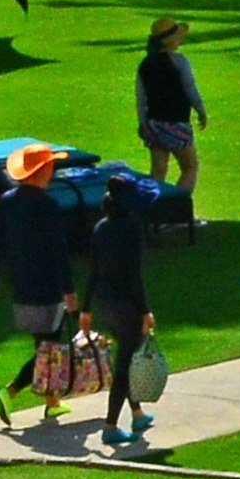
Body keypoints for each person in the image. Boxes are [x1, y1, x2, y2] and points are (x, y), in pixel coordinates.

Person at [0, 149, 74, 430]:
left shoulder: (8, 203)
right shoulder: (49, 206)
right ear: (41, 172)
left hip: (22, 284)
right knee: (49, 348)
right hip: (48, 285)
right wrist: (69, 290)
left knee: (43, 343)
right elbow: (60, 252)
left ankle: (53, 402)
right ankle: (11, 390)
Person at [81, 172, 162, 451]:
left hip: (105, 304)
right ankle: (111, 426)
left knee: (126, 356)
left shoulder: (102, 227)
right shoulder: (132, 230)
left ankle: (137, 414)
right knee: (126, 364)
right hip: (127, 305)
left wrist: (86, 307)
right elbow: (134, 276)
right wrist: (145, 311)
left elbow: (93, 270)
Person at [135, 17, 205, 202]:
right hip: (176, 122)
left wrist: (143, 123)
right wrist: (201, 111)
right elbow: (190, 89)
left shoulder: (145, 64)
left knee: (158, 171)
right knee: (190, 167)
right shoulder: (179, 61)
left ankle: (151, 212)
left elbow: (141, 98)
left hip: (153, 123)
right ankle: (175, 209)